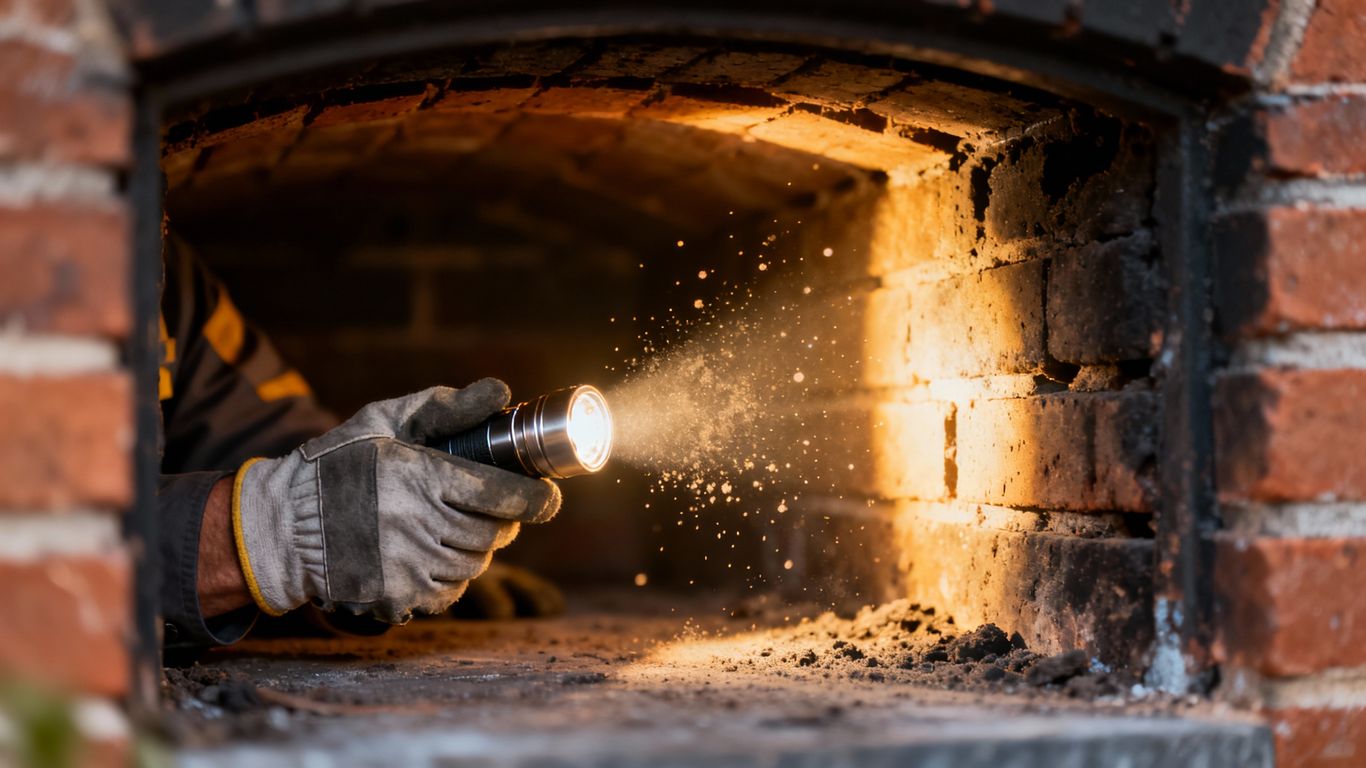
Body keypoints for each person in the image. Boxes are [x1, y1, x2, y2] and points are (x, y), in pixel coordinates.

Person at [156, 236, 562, 648]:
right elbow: (85, 539)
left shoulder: (167, 271)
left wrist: (405, 524)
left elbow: (278, 437)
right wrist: (281, 531)